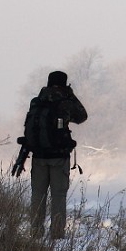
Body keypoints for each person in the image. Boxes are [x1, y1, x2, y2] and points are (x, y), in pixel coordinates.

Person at [28, 70, 87, 240]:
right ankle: (56, 235)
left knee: (37, 196)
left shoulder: (37, 101)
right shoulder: (65, 102)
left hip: (38, 157)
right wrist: (71, 95)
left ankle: (36, 233)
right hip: (59, 157)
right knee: (58, 197)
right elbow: (82, 116)